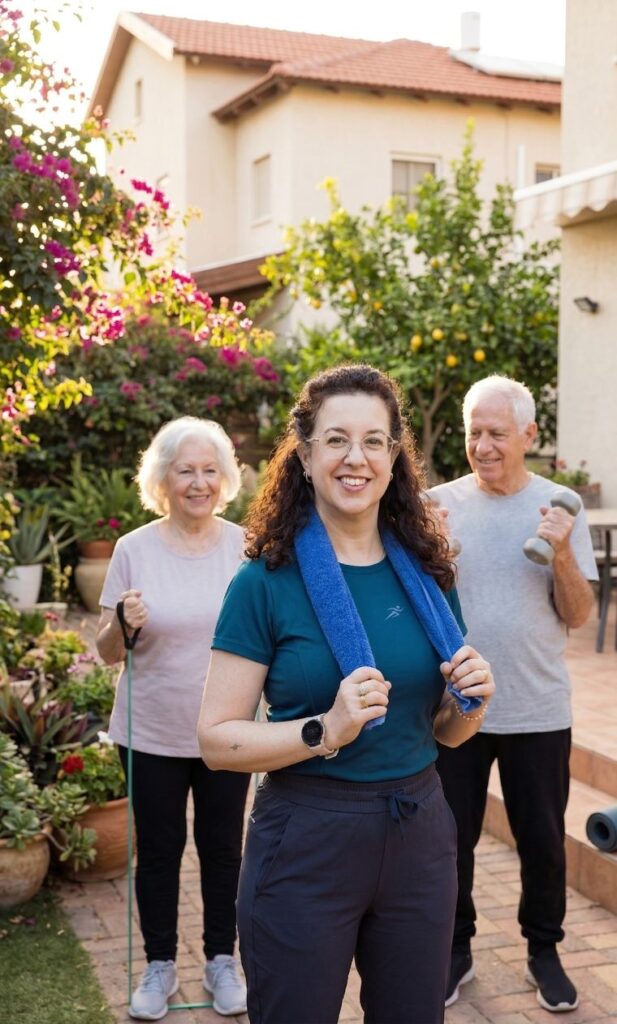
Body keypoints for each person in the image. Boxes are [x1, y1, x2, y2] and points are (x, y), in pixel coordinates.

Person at [198, 364, 495, 1024]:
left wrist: (469, 702)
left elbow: (445, 733)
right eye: (335, 440)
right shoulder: (263, 582)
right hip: (307, 839)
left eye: (373, 441)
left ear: (394, 458)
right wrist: (324, 729)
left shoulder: (427, 575)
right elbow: (216, 741)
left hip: (418, 834)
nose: (355, 458)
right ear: (305, 458)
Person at [430, 375, 598, 1014]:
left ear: (529, 434)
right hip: (457, 708)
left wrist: (561, 551)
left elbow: (577, 615)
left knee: (543, 842)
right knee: (451, 841)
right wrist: (431, 554)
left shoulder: (559, 507)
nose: (482, 446)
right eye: (473, 432)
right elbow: (413, 604)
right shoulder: (436, 505)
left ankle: (544, 950)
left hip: (537, 706)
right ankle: (455, 950)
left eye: (497, 433)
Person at [96, 416, 250, 1021]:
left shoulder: (245, 546)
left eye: (210, 470)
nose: (199, 482)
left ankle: (221, 960)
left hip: (227, 732)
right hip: (152, 733)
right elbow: (107, 650)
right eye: (186, 470)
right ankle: (159, 965)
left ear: (225, 478)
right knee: (159, 851)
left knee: (223, 849)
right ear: (163, 479)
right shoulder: (133, 549)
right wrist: (121, 622)